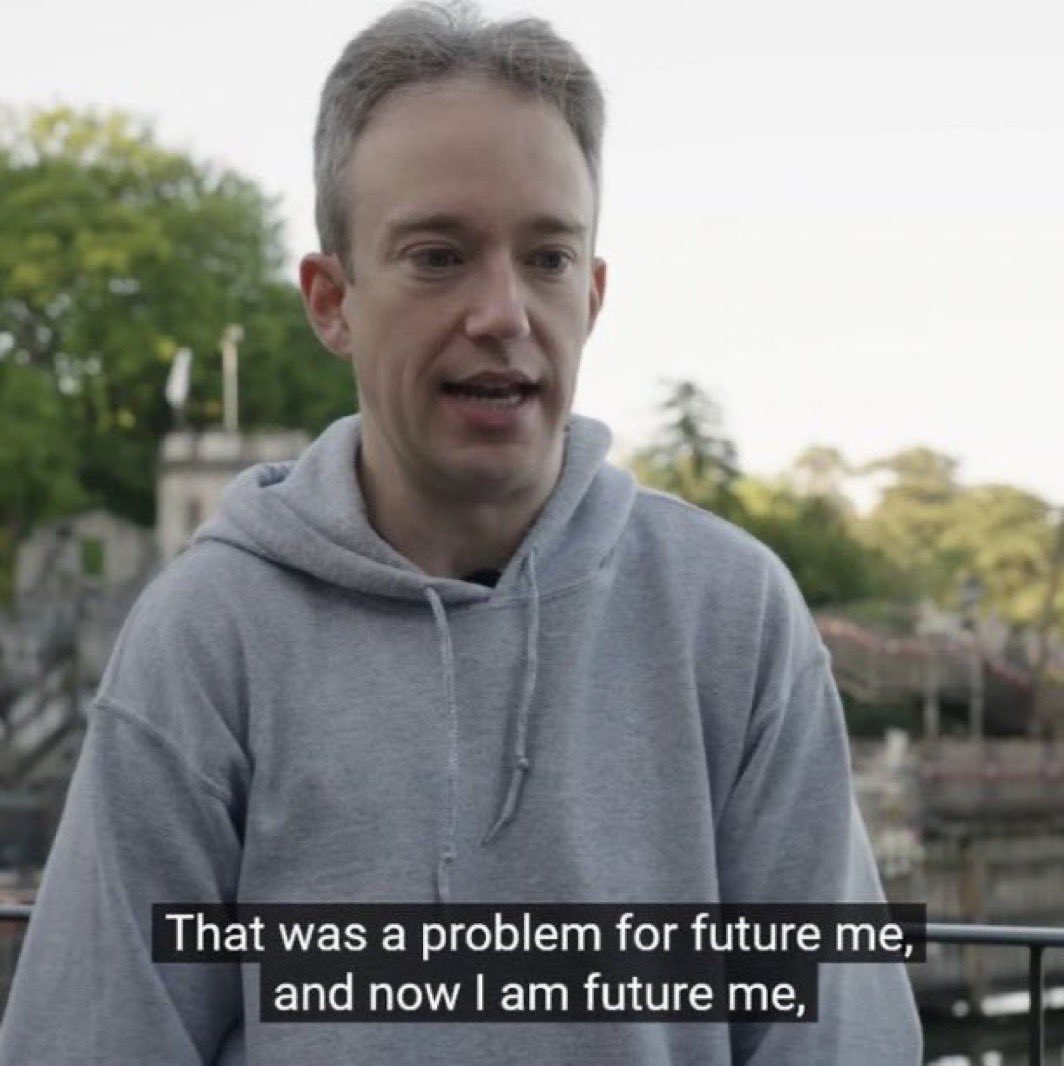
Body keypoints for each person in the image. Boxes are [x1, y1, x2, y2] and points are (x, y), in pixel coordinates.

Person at [0, 1, 921, 1062]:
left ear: (594, 295)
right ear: (332, 301)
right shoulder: (207, 636)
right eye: (439, 256)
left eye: (547, 258)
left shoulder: (735, 617)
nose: (503, 312)